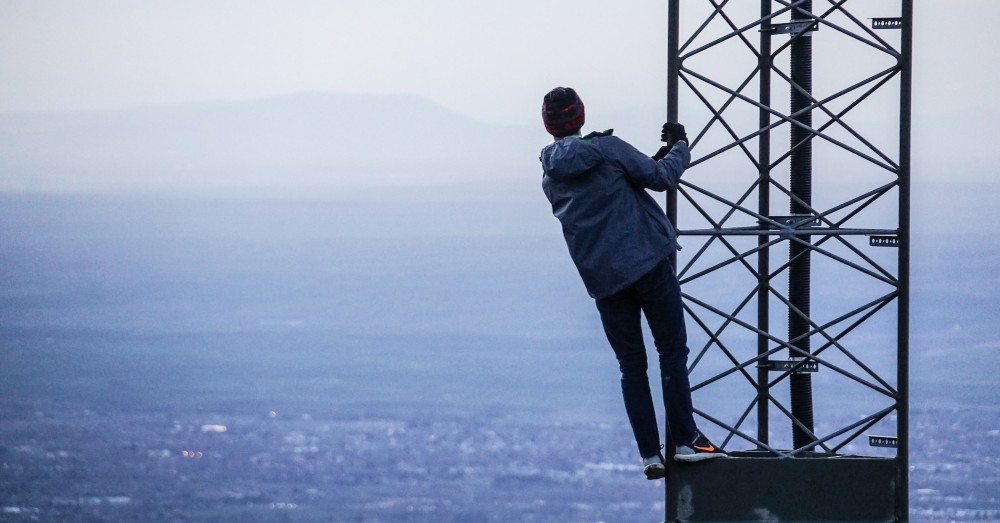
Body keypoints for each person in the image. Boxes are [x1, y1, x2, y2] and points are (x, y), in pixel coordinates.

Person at [539, 87, 727, 480]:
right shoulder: (607, 148)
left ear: (549, 126)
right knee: (671, 351)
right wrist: (680, 146)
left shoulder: (550, 176)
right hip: (647, 265)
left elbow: (608, 192)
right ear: (582, 116)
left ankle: (649, 455)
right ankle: (686, 440)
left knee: (631, 366)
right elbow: (659, 179)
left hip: (605, 282)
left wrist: (645, 162)